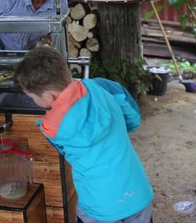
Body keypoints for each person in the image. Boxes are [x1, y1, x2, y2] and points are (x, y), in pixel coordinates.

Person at [13, 46, 154, 223]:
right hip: (136, 193)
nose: (33, 100)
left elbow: (64, 151)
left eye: (32, 96)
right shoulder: (102, 86)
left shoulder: (51, 127)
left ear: (49, 96)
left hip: (98, 206)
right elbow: (133, 117)